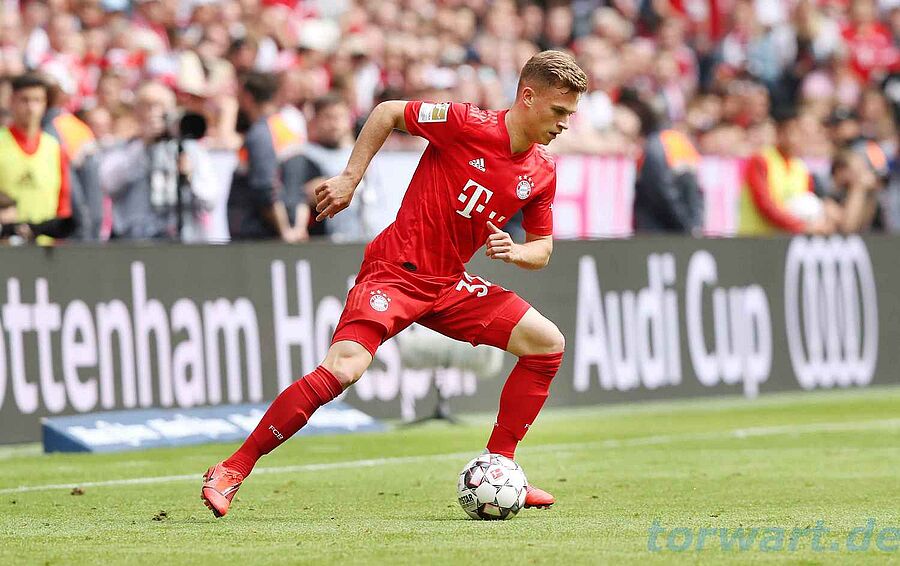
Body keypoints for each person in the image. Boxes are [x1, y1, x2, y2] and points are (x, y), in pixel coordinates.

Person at [201, 50, 587, 517]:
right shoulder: (466, 123)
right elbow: (387, 112)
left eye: (571, 113)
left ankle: (500, 464)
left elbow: (541, 248)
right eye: (559, 110)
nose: (565, 123)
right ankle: (232, 468)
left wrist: (516, 251)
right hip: (396, 272)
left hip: (449, 283)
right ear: (527, 97)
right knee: (344, 368)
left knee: (547, 344)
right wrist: (350, 178)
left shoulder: (542, 170)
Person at [100, 81, 217, 241]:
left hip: (182, 237)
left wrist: (190, 176)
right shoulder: (125, 148)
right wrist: (144, 144)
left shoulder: (190, 149)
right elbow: (108, 183)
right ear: (136, 111)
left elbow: (210, 200)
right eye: (147, 106)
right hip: (135, 239)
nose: (154, 113)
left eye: (160, 106)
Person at [226, 72, 303, 242]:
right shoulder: (286, 129)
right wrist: (298, 227)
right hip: (290, 228)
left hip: (260, 233)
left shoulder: (260, 134)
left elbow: (265, 187)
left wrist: (284, 230)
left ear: (247, 97)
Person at [0, 72, 74, 244]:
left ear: (45, 104)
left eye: (37, 100)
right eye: (24, 100)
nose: (31, 107)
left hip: (44, 248)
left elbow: (63, 204)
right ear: (11, 101)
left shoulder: (54, 147)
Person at [737, 108, 833, 235]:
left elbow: (806, 203)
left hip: (786, 241)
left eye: (803, 133)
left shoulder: (801, 169)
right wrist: (801, 227)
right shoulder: (761, 160)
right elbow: (765, 205)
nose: (800, 138)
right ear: (780, 133)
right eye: (795, 132)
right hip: (754, 240)